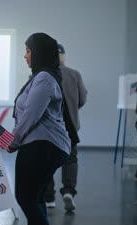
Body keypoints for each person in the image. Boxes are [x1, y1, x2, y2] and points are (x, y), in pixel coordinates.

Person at [8, 32, 71, 225]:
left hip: (44, 144)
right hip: (40, 143)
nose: (25, 55)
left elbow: (30, 115)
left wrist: (13, 141)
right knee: (34, 195)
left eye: (28, 50)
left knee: (25, 195)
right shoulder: (40, 76)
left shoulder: (44, 79)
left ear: (39, 52)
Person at [44, 44, 88, 211]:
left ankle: (49, 198)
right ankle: (68, 191)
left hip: (49, 126)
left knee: (47, 161)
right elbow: (82, 99)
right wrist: (71, 110)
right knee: (70, 159)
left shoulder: (42, 75)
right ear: (64, 56)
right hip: (70, 126)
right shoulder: (74, 74)